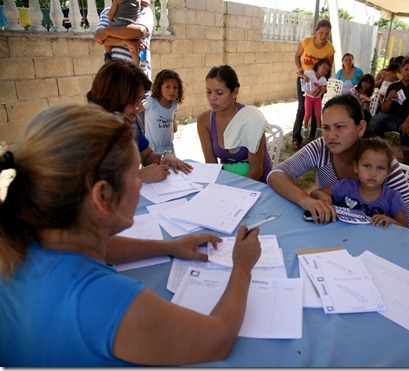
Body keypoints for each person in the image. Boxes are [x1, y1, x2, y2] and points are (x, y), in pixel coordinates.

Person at [0, 103, 262, 366]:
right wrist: (242, 266)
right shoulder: (104, 300)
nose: (140, 184)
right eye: (135, 175)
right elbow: (217, 340)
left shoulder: (21, 236)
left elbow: (108, 248)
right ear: (102, 196)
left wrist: (169, 247)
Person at [267, 94, 409, 231]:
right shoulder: (321, 148)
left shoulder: (382, 163)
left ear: (360, 128)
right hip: (332, 235)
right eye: (326, 128)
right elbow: (276, 174)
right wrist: (306, 201)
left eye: (340, 127)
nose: (331, 135)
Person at [87, 60, 192, 183]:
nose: (141, 108)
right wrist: (138, 177)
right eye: (135, 101)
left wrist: (165, 156)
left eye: (140, 100)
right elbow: (93, 185)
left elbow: (146, 155)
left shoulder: (129, 122)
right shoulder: (90, 134)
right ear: (115, 101)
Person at [310, 137, 409, 229]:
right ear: (356, 167)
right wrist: (323, 198)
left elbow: (406, 229)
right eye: (367, 166)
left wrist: (391, 221)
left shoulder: (392, 198)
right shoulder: (346, 187)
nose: (373, 173)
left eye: (381, 168)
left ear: (388, 172)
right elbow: (315, 193)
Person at [197, 65, 273, 183]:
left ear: (235, 92)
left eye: (219, 93)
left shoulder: (251, 118)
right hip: (227, 183)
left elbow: (256, 171)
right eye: (208, 92)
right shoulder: (204, 121)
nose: (212, 98)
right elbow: (211, 165)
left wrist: (235, 193)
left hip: (257, 184)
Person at [371, 57, 409, 164]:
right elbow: (385, 109)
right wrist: (388, 99)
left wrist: (408, 121)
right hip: (394, 118)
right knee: (374, 121)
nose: (408, 73)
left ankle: (406, 163)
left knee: (407, 130)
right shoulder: (394, 85)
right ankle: (383, 151)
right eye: (406, 69)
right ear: (401, 69)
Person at [292, 19, 335, 150]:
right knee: (302, 109)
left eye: (327, 33)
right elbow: (297, 56)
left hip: (318, 84)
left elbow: (328, 68)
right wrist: (300, 69)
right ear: (316, 31)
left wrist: (323, 87)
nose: (323, 36)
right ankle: (296, 138)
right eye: (321, 32)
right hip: (305, 80)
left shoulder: (330, 49)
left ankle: (312, 139)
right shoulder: (306, 42)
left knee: (316, 112)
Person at [94, 0, 153, 80]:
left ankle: (137, 70)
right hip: (115, 79)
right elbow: (99, 38)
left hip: (138, 81)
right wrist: (127, 42)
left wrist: (107, 32)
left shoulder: (144, 10)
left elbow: (140, 31)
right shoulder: (107, 11)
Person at [144, 69, 184, 153]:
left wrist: (174, 123)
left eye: (175, 87)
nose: (172, 91)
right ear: (159, 87)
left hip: (169, 149)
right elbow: (135, 110)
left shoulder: (174, 104)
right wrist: (141, 128)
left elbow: (172, 115)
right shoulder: (151, 102)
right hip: (152, 150)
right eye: (167, 87)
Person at [298, 58, 332, 139]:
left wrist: (324, 90)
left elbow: (324, 89)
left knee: (318, 115)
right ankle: (305, 129)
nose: (324, 71)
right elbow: (298, 72)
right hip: (308, 98)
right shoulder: (309, 73)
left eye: (327, 70)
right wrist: (303, 76)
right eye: (324, 67)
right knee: (307, 114)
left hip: (317, 99)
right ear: (318, 66)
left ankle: (319, 130)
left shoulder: (323, 79)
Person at [103, 0, 141, 64]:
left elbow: (110, 14)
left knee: (107, 38)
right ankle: (136, 62)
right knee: (133, 49)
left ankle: (107, 53)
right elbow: (147, 3)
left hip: (119, 22)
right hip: (132, 25)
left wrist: (111, 20)